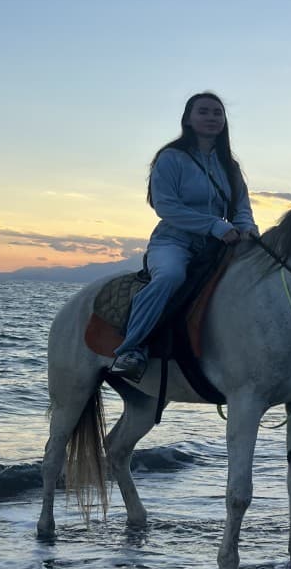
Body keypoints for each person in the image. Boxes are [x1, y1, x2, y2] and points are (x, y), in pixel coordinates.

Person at [110, 92, 259, 380]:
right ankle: (131, 349)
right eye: (203, 112)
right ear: (188, 119)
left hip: (221, 244)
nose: (211, 118)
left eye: (217, 113)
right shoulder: (171, 158)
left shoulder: (229, 164)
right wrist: (216, 226)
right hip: (174, 241)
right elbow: (166, 207)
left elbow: (242, 206)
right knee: (170, 277)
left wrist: (248, 230)